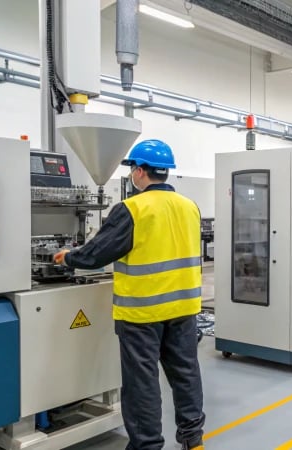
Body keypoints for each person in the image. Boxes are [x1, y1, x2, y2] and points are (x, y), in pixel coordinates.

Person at [54, 139, 205, 450]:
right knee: (186, 374)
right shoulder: (190, 207)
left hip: (142, 313)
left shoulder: (133, 209)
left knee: (142, 382)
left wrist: (68, 257)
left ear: (138, 172)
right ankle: (193, 438)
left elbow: (96, 254)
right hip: (185, 307)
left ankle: (146, 445)